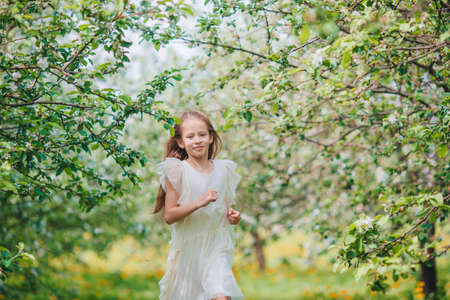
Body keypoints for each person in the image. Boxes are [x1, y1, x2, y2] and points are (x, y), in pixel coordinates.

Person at [153, 111, 244, 300]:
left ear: (210, 137)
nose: (197, 140)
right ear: (180, 142)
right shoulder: (178, 171)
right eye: (190, 136)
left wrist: (233, 217)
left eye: (202, 135)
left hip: (217, 246)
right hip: (189, 250)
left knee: (221, 294)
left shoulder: (223, 169)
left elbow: (225, 209)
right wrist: (200, 202)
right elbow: (170, 216)